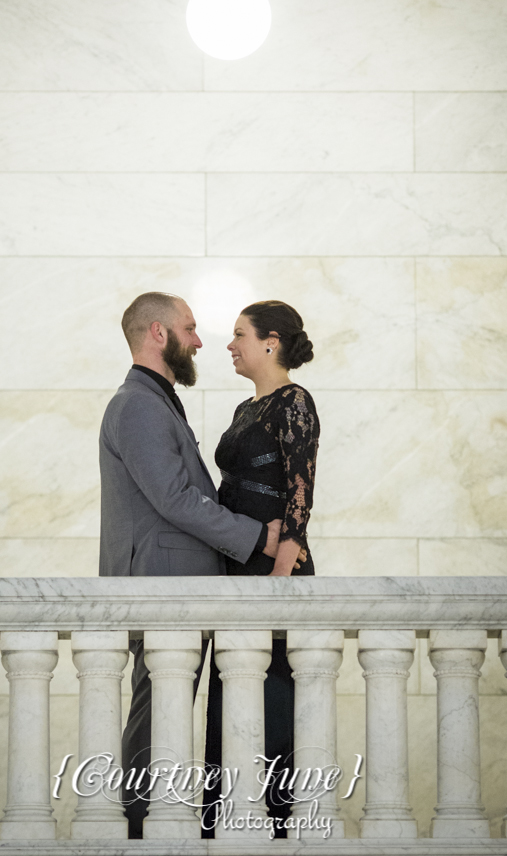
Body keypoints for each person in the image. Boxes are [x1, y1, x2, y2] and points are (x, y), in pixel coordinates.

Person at [98, 291, 294, 838]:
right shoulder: (137, 404)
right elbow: (176, 499)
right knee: (156, 716)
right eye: (189, 329)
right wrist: (258, 537)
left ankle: (151, 826)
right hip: (163, 587)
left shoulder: (155, 401)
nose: (201, 341)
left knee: (164, 713)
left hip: (178, 585)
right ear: (158, 333)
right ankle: (137, 833)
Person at [202, 299, 319, 838]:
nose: (230, 345)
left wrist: (280, 581)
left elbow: (300, 494)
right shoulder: (245, 409)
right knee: (230, 693)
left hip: (276, 572)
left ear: (271, 341)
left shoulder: (295, 401)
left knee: (272, 696)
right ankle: (225, 821)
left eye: (238, 335)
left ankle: (274, 826)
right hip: (236, 567)